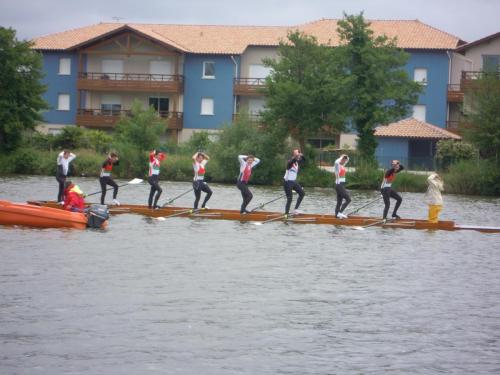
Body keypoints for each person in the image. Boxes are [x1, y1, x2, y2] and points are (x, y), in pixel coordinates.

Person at [283, 149, 306, 215]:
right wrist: (297, 156)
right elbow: (293, 160)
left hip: (293, 182)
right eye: (295, 154)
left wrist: (302, 155)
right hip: (287, 182)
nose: (297, 155)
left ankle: (295, 210)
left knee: (302, 193)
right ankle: (286, 214)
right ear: (293, 155)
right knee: (290, 198)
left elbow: (304, 160)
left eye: (297, 153)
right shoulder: (290, 162)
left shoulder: (297, 162)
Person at [334, 154, 351, 219]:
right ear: (341, 159)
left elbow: (348, 159)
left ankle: (336, 215)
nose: (344, 161)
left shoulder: (342, 165)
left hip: (341, 185)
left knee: (339, 202)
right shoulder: (337, 165)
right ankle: (340, 213)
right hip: (339, 184)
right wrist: (341, 157)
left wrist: (346, 156)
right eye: (343, 160)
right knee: (348, 199)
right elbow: (336, 161)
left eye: (345, 160)